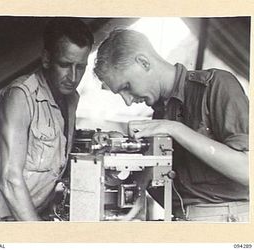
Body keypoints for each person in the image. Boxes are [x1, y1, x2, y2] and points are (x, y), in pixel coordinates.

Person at [93, 29, 249, 222]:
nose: (127, 101)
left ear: (144, 62)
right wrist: (116, 147)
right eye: (120, 93)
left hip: (226, 221)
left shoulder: (216, 85)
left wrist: (175, 128)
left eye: (126, 87)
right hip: (182, 220)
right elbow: (152, 180)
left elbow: (247, 170)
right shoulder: (161, 112)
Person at [0, 17, 94, 221]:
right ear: (46, 59)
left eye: (80, 67)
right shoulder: (20, 96)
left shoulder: (71, 98)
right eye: (65, 64)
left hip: (32, 216)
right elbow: (10, 180)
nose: (73, 76)